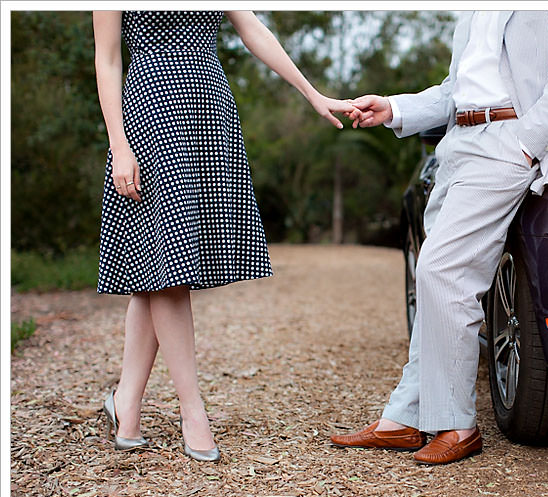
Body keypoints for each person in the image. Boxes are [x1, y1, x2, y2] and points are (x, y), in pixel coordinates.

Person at [331, 10, 548, 464]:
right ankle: (406, 417)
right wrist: (395, 108)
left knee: (444, 272)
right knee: (433, 281)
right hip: (458, 143)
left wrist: (526, 142)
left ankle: (456, 425)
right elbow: (455, 89)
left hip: (508, 141)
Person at [94, 10, 357, 461]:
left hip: (208, 111)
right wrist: (118, 145)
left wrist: (312, 93)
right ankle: (192, 409)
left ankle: (126, 405)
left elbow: (252, 28)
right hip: (150, 118)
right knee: (168, 266)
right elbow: (108, 58)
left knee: (152, 264)